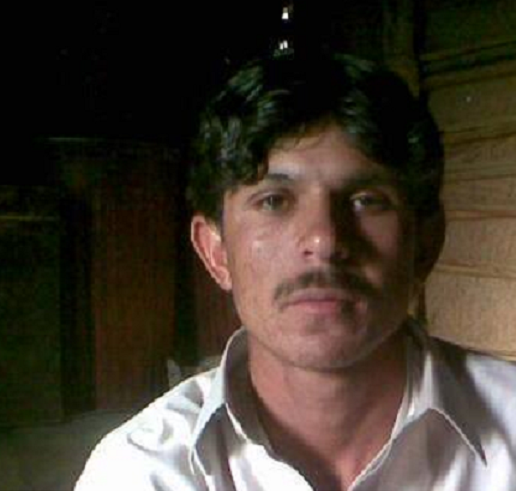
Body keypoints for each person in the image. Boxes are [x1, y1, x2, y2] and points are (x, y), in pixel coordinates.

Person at [75, 52, 515, 491]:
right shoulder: (142, 473)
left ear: (425, 244)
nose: (324, 240)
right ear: (216, 252)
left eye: (366, 200)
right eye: (274, 201)